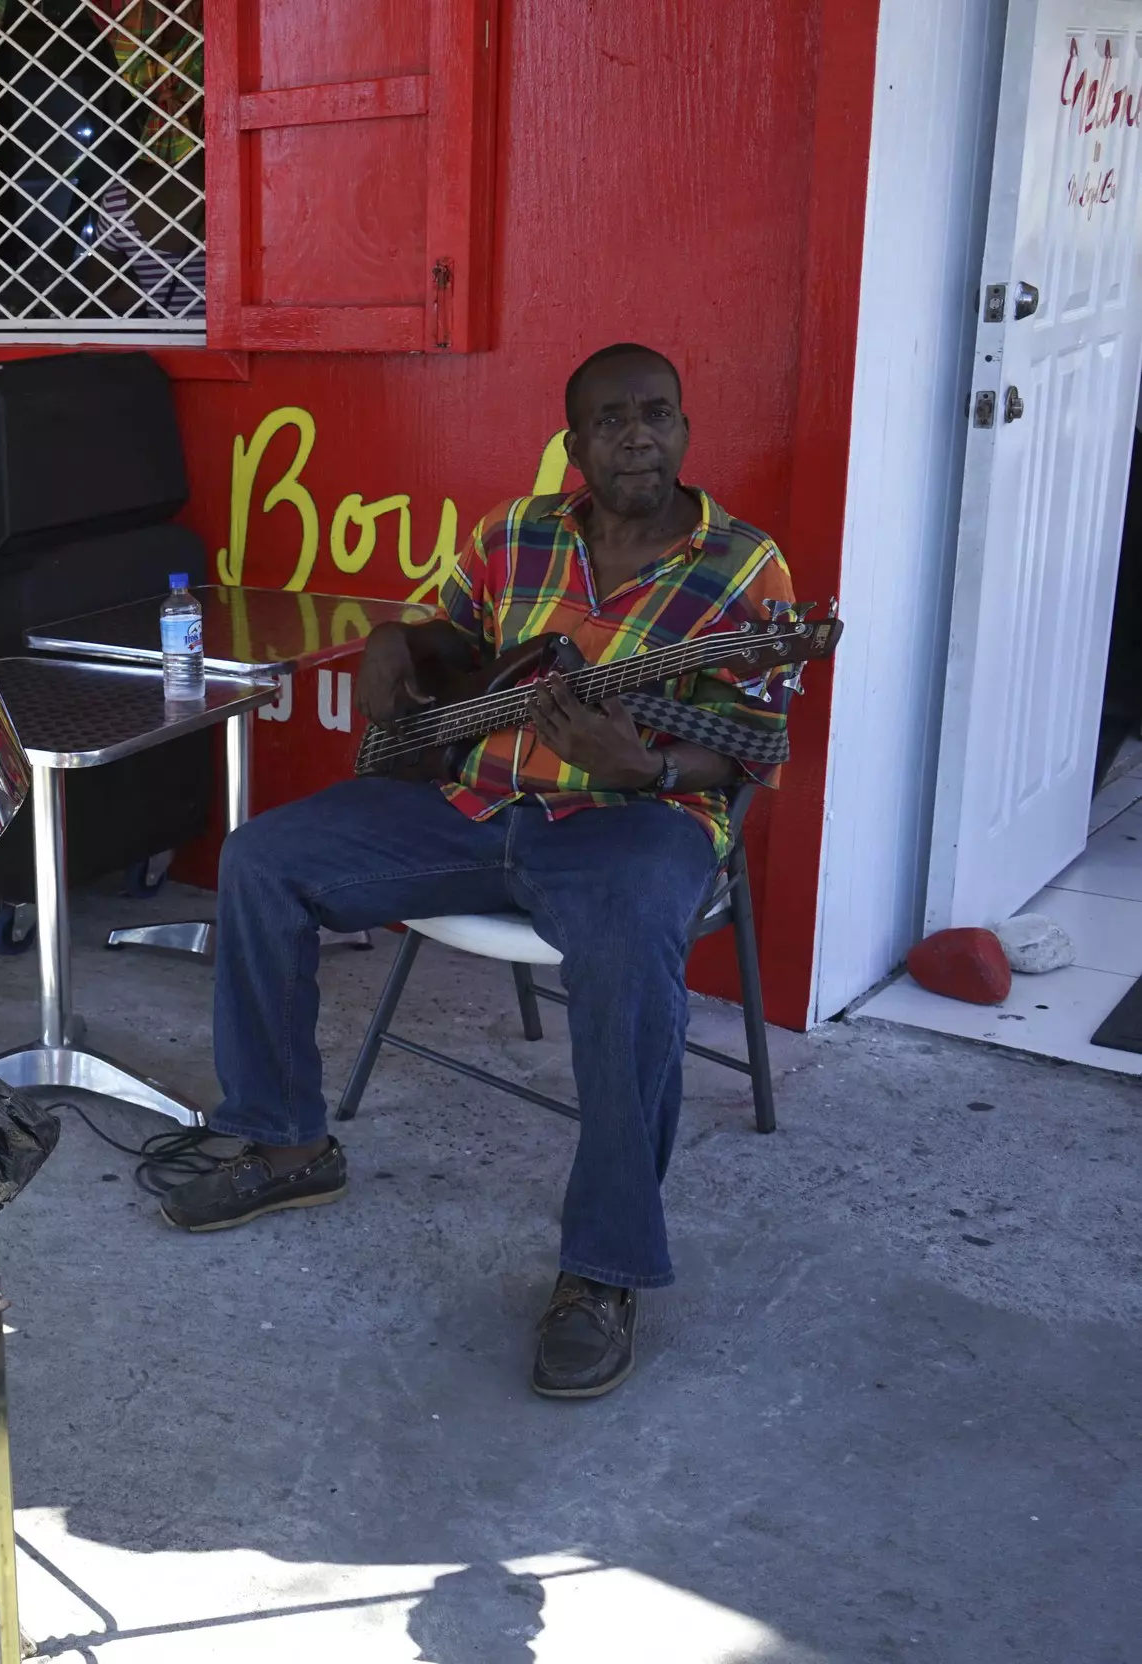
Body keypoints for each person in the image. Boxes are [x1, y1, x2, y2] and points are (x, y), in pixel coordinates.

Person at [159, 344, 796, 1401]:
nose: (637, 433)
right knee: (261, 860)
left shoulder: (746, 568)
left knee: (632, 951)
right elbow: (450, 637)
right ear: (575, 443)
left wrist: (643, 764)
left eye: (657, 414)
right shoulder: (515, 534)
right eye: (610, 419)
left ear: (684, 429)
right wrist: (390, 643)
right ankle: (286, 1145)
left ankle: (603, 1269)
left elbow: (753, 743)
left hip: (635, 820)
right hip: (466, 801)